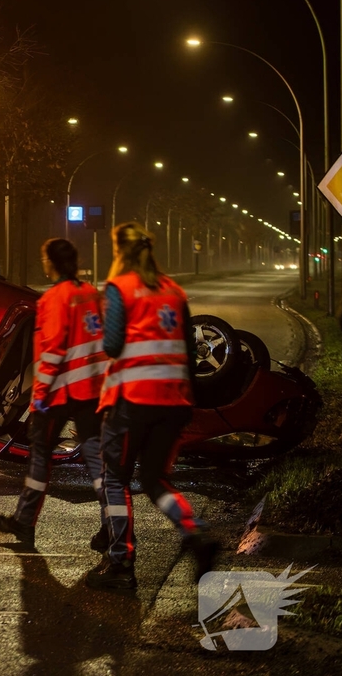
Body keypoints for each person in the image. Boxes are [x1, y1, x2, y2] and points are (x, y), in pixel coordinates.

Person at [87, 222, 217, 591]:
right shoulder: (174, 290)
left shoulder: (121, 288)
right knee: (156, 480)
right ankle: (197, 535)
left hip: (133, 400)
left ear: (118, 251)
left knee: (116, 479)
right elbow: (190, 351)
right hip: (175, 400)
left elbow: (112, 344)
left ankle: (120, 562)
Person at [0, 239, 109, 549]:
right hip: (92, 390)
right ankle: (113, 523)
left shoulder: (54, 299)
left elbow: (53, 352)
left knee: (40, 457)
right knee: (97, 460)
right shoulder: (91, 295)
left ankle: (25, 522)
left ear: (49, 263)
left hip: (60, 392)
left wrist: (39, 397)